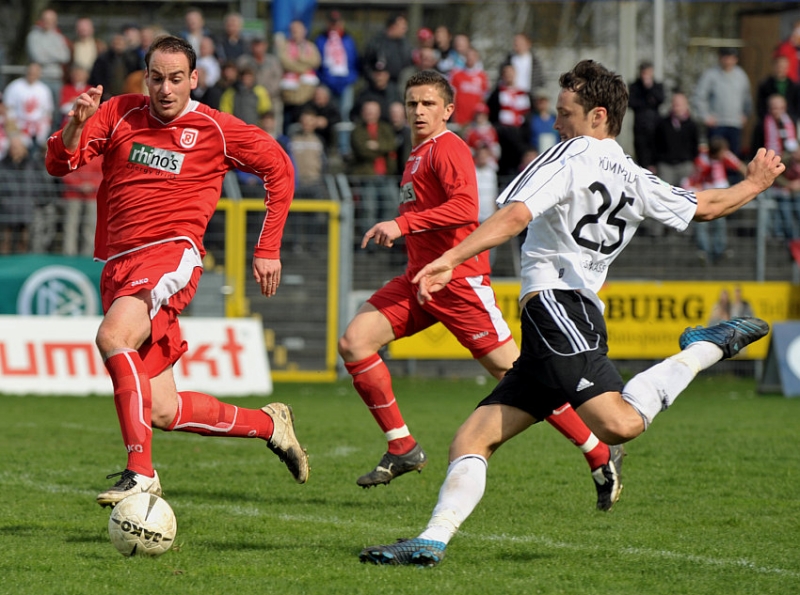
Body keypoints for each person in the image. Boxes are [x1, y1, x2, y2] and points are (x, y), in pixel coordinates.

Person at [359, 59, 781, 567]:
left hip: (560, 307)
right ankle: (430, 541)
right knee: (473, 437)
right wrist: (754, 184)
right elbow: (705, 206)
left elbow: (514, 215)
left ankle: (702, 350)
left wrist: (450, 258)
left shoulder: (570, 154)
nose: (556, 123)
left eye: (565, 113)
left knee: (619, 424)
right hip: (555, 318)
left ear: (597, 116)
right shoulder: (633, 173)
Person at [339, 70, 622, 511]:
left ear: (448, 110)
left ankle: (599, 451)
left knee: (519, 379)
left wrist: (402, 224)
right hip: (421, 279)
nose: (418, 111)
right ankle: (402, 447)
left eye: (428, 104)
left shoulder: (448, 147)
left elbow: (466, 209)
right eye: (412, 103)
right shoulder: (415, 155)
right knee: (354, 342)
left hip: (459, 282)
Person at [44, 35, 308, 507]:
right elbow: (58, 165)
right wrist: (75, 126)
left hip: (171, 252)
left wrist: (267, 247)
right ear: (145, 78)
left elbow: (279, 168)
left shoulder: (215, 128)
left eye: (176, 78)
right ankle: (270, 425)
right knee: (162, 410)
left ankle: (140, 473)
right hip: (119, 263)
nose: (166, 89)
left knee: (113, 337)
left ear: (194, 79)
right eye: (157, 78)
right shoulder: (119, 113)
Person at [686, 137, 747, 264]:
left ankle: (719, 250)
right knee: (702, 224)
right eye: (723, 151)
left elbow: (740, 166)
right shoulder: (702, 161)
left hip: (721, 195)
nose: (725, 153)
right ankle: (704, 251)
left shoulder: (724, 155)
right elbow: (695, 179)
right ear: (716, 152)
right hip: (705, 196)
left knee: (720, 223)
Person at [693, 47, 752, 160]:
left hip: (735, 124)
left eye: (731, 58)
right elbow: (699, 96)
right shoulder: (710, 75)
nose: (728, 61)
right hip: (717, 124)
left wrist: (745, 114)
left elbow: (747, 97)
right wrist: (705, 116)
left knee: (733, 158)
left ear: (736, 59)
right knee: (715, 157)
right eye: (725, 57)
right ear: (720, 58)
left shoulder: (741, 75)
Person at [314, 11, 359, 129]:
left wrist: (351, 78)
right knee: (329, 114)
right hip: (327, 83)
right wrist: (323, 79)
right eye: (332, 22)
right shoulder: (320, 39)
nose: (335, 25)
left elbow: (354, 60)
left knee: (345, 113)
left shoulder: (348, 39)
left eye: (337, 22)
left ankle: (343, 141)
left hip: (346, 83)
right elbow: (317, 62)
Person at [276, 19, 321, 133]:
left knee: (304, 124)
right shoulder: (285, 46)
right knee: (288, 125)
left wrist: (298, 60)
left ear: (304, 31)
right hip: (289, 95)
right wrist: (304, 67)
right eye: (293, 30)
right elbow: (285, 62)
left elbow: (315, 61)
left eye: (298, 30)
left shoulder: (310, 46)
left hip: (307, 94)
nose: (295, 32)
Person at [26, 8, 71, 113]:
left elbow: (65, 56)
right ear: (41, 20)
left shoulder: (58, 37)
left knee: (57, 112)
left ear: (55, 21)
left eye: (51, 20)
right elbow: (38, 57)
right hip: (40, 79)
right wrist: (56, 54)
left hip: (56, 79)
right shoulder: (33, 36)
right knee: (40, 111)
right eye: (45, 19)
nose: (48, 22)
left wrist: (46, 52)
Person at [3, 62, 54, 151]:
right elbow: (7, 110)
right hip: (19, 127)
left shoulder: (44, 90)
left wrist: (43, 129)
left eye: (35, 72)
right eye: (31, 71)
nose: (32, 74)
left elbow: (48, 112)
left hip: (38, 129)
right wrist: (14, 132)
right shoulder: (14, 87)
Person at [628, 60, 665, 171]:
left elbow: (660, 99)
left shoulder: (657, 86)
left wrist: (650, 88)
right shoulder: (635, 86)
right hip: (640, 127)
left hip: (655, 126)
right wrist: (647, 100)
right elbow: (632, 103)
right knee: (642, 155)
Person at [756, 55, 800, 122]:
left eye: (783, 67)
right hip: (769, 121)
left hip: (789, 121)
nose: (780, 69)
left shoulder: (794, 87)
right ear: (774, 66)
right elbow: (760, 106)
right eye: (779, 66)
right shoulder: (765, 85)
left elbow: (797, 106)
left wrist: (792, 119)